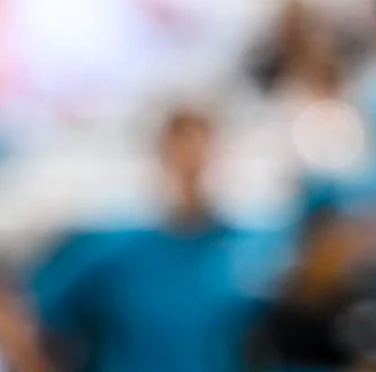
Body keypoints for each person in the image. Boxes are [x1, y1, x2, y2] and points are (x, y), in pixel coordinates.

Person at [33, 106, 272, 372]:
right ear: (161, 154)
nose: (193, 161)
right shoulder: (110, 250)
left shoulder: (253, 249)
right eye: (181, 146)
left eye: (203, 147)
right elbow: (36, 315)